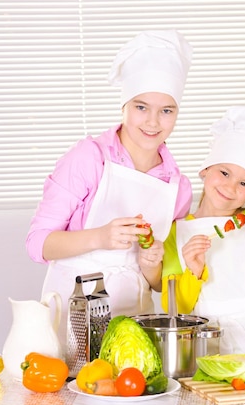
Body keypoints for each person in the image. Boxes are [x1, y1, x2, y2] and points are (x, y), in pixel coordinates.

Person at [26, 30, 193, 344]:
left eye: (166, 110)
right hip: (72, 315)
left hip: (133, 323)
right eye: (141, 107)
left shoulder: (177, 187)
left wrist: (151, 263)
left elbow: (159, 283)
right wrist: (100, 237)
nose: (153, 122)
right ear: (125, 105)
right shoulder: (89, 158)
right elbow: (38, 244)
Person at [161, 106, 245, 361]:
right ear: (204, 170)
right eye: (224, 172)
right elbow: (174, 308)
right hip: (207, 344)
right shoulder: (175, 231)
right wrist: (194, 271)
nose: (230, 187)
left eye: (244, 183)